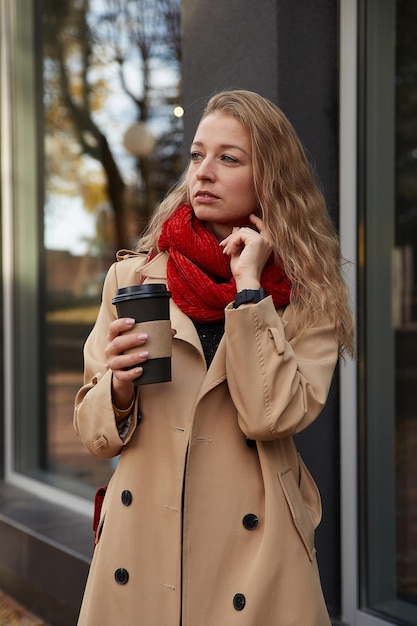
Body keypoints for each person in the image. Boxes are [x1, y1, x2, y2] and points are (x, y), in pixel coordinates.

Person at [74, 89, 355, 625]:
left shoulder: (309, 295)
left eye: (229, 158)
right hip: (141, 547)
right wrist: (118, 386)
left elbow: (272, 416)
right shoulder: (133, 278)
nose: (203, 172)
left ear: (270, 178)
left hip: (255, 555)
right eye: (197, 154)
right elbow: (93, 435)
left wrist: (250, 290)